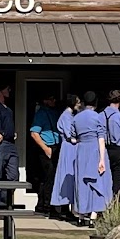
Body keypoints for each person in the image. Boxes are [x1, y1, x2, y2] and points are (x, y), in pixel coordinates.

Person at [70, 91, 113, 225]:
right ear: (95, 102)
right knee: (97, 182)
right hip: (95, 150)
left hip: (81, 151)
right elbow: (101, 138)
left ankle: (81, 216)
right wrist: (101, 159)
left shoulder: (76, 117)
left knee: (82, 183)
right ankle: (93, 216)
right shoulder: (98, 117)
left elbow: (72, 138)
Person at [49, 93, 83, 221]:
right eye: (78, 102)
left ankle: (66, 207)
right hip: (69, 148)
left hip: (70, 148)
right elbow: (70, 135)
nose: (79, 105)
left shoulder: (70, 115)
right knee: (65, 175)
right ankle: (59, 207)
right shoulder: (66, 116)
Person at [28, 92, 61, 217]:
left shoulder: (55, 112)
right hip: (47, 147)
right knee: (48, 178)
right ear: (45, 100)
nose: (54, 101)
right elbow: (34, 133)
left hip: (55, 146)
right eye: (51, 98)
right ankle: (47, 206)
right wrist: (46, 148)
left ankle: (43, 205)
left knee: (48, 178)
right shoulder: (41, 114)